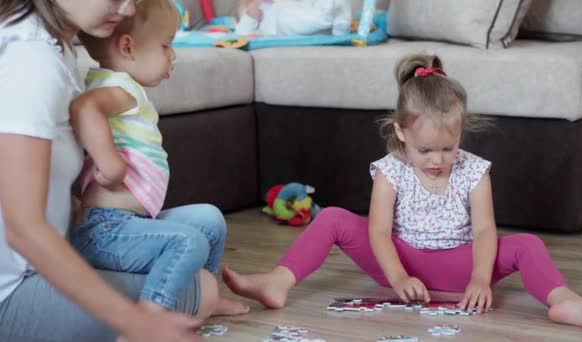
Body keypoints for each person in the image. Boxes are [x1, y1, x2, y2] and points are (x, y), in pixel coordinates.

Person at [223, 54, 582, 330]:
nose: (437, 159)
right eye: (425, 150)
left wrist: (478, 278)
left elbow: (485, 231)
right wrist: (396, 277)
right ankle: (278, 281)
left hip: (460, 266)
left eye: (448, 147)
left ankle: (565, 303)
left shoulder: (474, 170)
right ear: (401, 133)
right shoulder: (389, 171)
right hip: (400, 263)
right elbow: (377, 231)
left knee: (527, 244)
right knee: (334, 217)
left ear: (460, 134)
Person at [0, 1, 227, 341]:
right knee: (202, 288)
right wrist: (136, 323)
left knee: (204, 229)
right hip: (12, 291)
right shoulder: (32, 60)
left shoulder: (57, 48)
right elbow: (23, 230)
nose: (130, 7)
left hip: (53, 252)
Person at [70, 0, 249, 319]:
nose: (173, 55)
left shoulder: (120, 86)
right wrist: (110, 163)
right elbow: (84, 109)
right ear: (127, 46)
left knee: (209, 218)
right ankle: (151, 317)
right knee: (188, 242)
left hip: (130, 224)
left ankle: (204, 297)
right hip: (108, 230)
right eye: (166, 45)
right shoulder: (118, 87)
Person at [235, 0, 351, 36]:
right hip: (280, 24)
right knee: (296, 20)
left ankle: (340, 23)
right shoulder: (265, 21)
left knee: (309, 9)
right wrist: (250, 16)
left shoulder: (276, 5)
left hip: (299, 11)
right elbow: (242, 34)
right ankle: (326, 19)